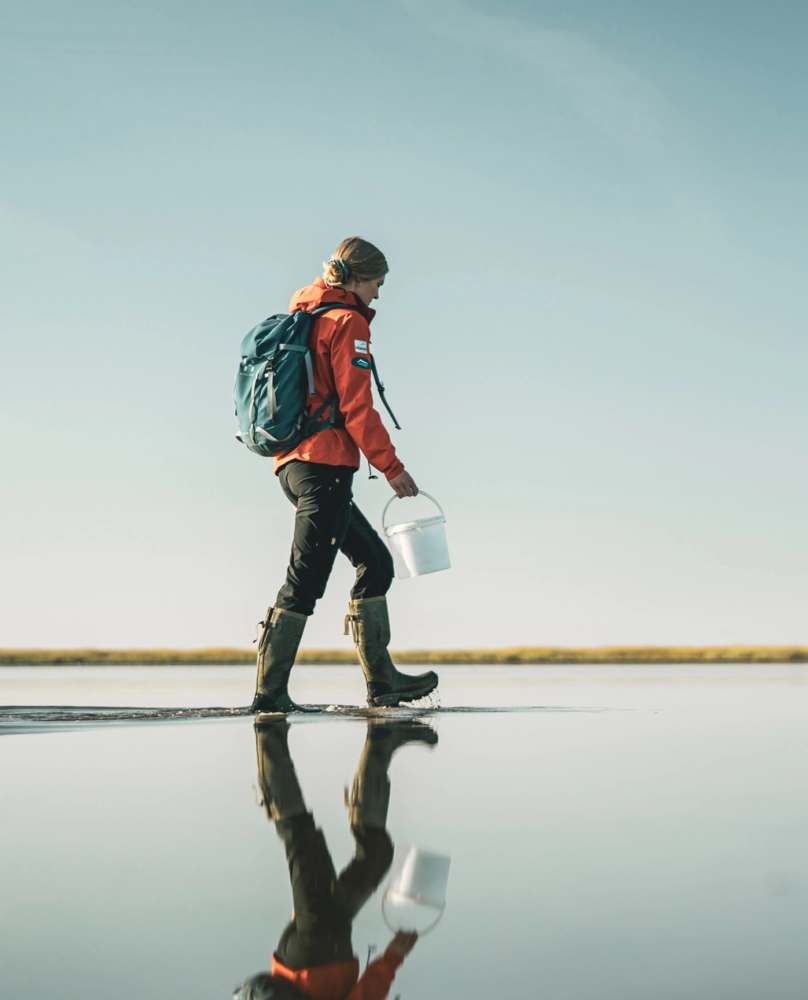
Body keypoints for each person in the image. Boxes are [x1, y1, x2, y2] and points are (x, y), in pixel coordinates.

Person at [250, 237, 439, 713]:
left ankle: (383, 683)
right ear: (357, 279)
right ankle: (268, 697)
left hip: (294, 466)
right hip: (324, 467)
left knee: (376, 564)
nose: (378, 292)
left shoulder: (306, 315)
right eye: (377, 282)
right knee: (305, 581)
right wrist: (392, 468)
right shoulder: (346, 321)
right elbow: (357, 408)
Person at [233, 716, 438, 1000]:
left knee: (302, 840)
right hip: (325, 939)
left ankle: (268, 734)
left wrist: (393, 957)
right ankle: (381, 743)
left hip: (314, 951)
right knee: (375, 856)